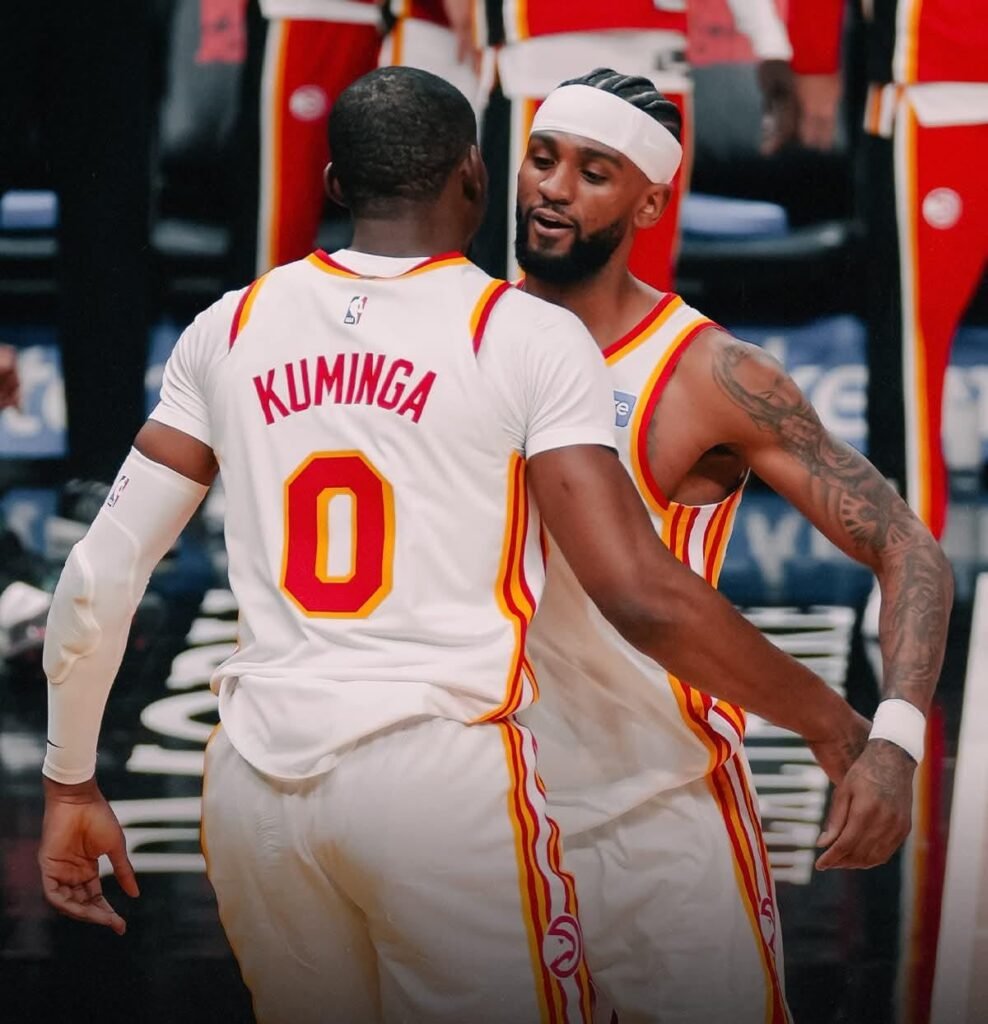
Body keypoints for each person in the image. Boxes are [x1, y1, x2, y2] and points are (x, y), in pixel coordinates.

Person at [39, 66, 879, 1024]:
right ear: (475, 175)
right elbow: (637, 592)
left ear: (335, 184)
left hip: (254, 786)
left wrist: (70, 782)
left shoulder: (229, 326)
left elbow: (100, 578)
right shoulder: (522, 336)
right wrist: (831, 722)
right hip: (435, 777)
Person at [513, 69, 954, 1023]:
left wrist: (893, 740)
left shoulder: (708, 374)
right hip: (478, 819)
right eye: (542, 159)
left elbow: (910, 549)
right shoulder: (459, 337)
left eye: (594, 171)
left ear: (651, 204)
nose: (554, 187)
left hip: (652, 822)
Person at [467, 0, 798, 286]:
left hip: (657, 59)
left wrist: (770, 43)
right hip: (544, 53)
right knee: (530, 288)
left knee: (643, 283)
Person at [230, 0, 384, 284]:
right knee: (288, 202)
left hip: (390, 24)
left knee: (394, 204)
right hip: (308, 15)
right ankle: (271, 308)